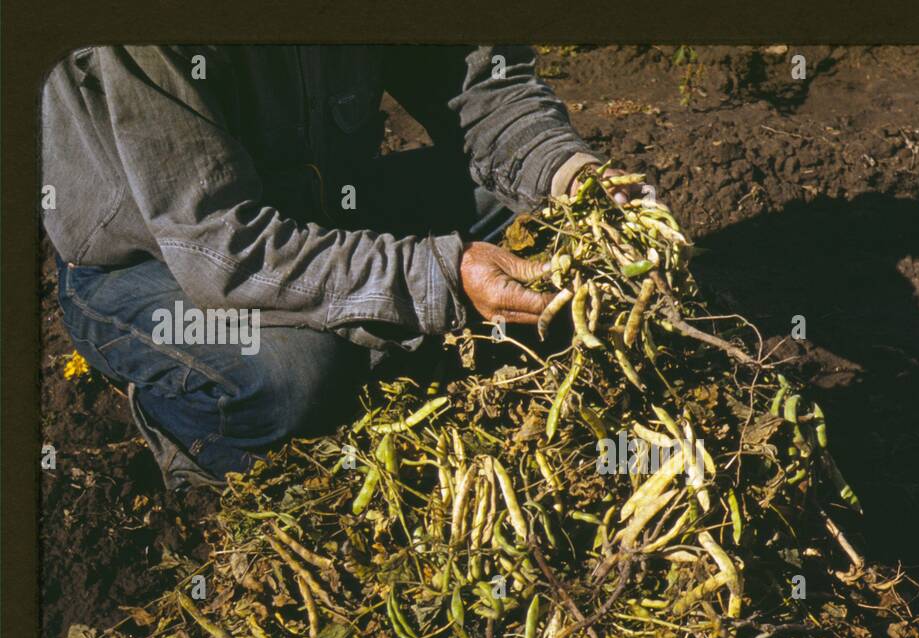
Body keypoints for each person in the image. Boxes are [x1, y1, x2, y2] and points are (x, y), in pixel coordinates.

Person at [42, 45, 644, 488]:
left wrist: (574, 179)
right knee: (295, 377)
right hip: (158, 262)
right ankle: (191, 422)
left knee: (543, 218)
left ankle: (374, 331)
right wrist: (438, 275)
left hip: (327, 207)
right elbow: (222, 244)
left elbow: (485, 87)